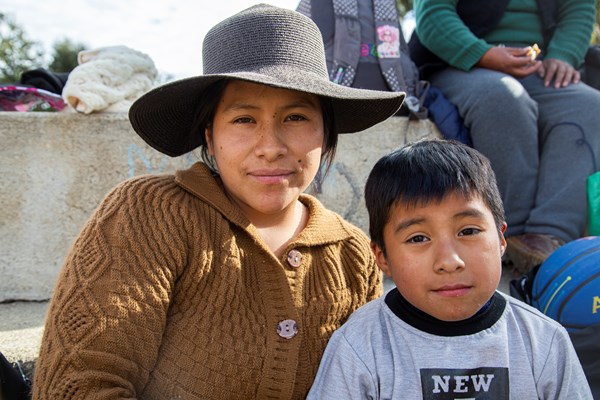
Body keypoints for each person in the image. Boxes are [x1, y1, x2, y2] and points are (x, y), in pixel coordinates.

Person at [31, 4, 405, 399]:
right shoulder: (149, 215)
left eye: (296, 118)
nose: (270, 148)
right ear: (210, 136)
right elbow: (78, 384)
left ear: (327, 134)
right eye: (244, 120)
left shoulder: (352, 254)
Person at [307, 139, 593, 399]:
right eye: (418, 238)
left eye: (468, 231)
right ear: (382, 258)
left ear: (501, 239)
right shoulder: (361, 345)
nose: (449, 261)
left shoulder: (543, 341)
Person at [408, 0, 600, 274]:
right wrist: (482, 53)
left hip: (540, 67)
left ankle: (549, 236)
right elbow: (433, 14)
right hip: (462, 64)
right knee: (505, 99)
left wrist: (563, 55)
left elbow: (578, 9)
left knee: (590, 106)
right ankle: (511, 232)